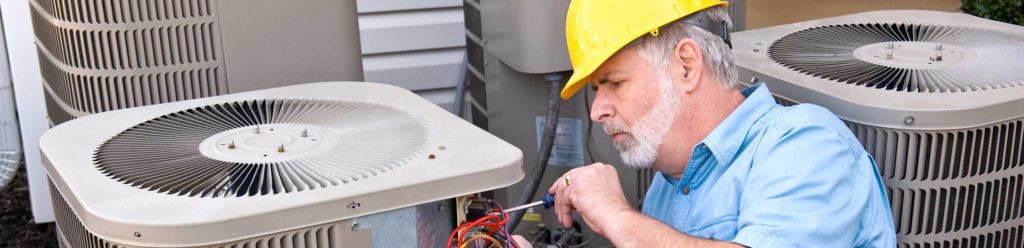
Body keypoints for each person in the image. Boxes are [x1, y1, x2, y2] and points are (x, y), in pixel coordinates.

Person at [540, 0, 898, 247]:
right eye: (597, 89)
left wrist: (616, 215)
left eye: (614, 83)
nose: (597, 110)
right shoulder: (666, 186)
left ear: (686, 65)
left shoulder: (806, 145)